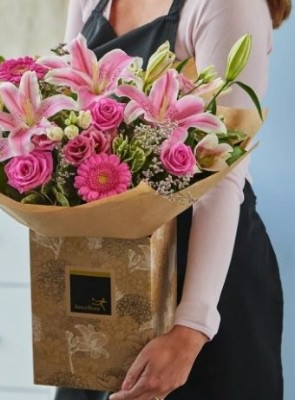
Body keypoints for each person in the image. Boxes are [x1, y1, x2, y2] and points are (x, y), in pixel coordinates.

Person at [55, 0, 291, 399]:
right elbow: (65, 114)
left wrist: (190, 330)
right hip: (108, 260)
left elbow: (220, 176)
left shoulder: (227, 5)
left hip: (204, 269)